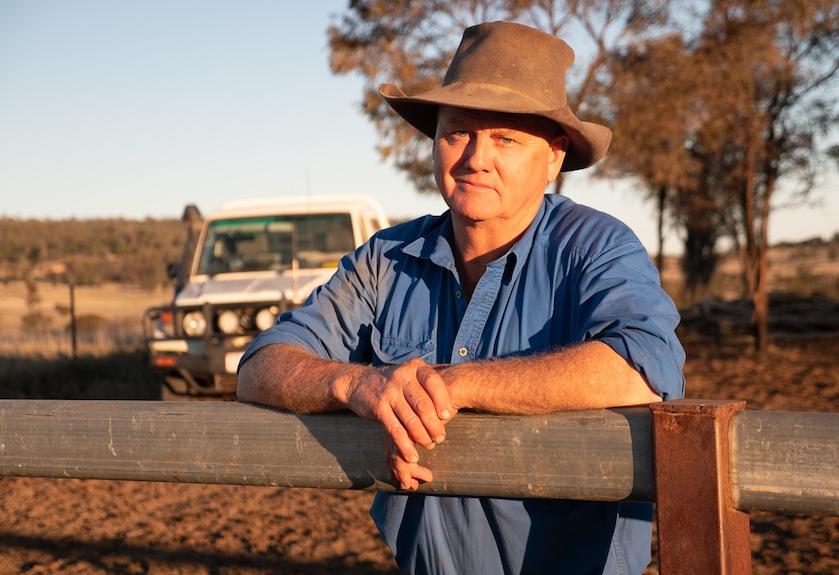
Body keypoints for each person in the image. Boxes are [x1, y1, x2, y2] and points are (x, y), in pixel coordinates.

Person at [237, 20, 685, 575]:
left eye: (506, 139)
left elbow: (645, 368)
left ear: (553, 156)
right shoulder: (387, 258)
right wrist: (358, 383)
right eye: (457, 132)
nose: (476, 158)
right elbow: (259, 367)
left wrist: (452, 385)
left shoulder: (596, 247)